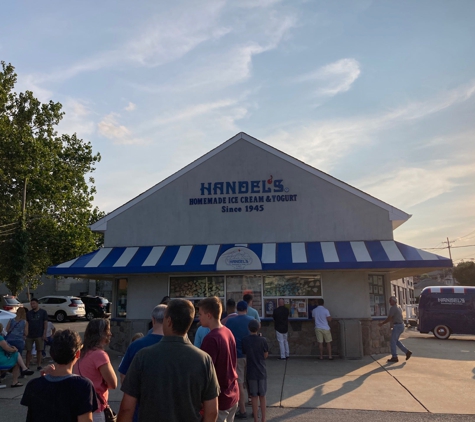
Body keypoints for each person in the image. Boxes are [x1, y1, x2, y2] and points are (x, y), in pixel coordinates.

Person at [118, 299, 220, 422]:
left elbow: (127, 409)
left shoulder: (143, 356)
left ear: (169, 321)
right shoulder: (204, 360)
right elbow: (212, 410)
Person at [21, 329, 98, 421]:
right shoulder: (83, 385)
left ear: (52, 353)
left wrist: (42, 380)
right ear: (77, 354)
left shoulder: (33, 385)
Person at [119, 304, 166, 422]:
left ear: (153, 320)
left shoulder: (136, 345)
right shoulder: (177, 347)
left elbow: (124, 379)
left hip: (139, 411)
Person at [198, 297, 239, 422]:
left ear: (209, 315)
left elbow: (205, 373)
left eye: (200, 314)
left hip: (219, 400)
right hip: (233, 393)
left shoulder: (211, 339)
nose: (199, 317)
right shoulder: (227, 332)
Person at [73, 319, 117, 422]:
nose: (110, 334)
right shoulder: (99, 355)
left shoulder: (80, 353)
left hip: (79, 407)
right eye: (108, 331)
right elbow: (113, 384)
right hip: (96, 409)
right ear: (100, 334)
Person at [225, 300, 254, 420]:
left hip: (238, 355)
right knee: (252, 380)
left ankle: (242, 410)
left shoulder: (230, 321)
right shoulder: (252, 320)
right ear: (246, 309)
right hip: (251, 355)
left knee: (240, 383)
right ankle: (254, 408)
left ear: (237, 309)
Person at [242, 320, 269, 422]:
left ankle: (256, 419)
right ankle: (263, 418)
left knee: (254, 396)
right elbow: (265, 355)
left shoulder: (245, 340)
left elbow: (245, 352)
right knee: (262, 395)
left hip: (251, 370)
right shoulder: (263, 340)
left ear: (249, 328)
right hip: (261, 370)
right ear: (259, 328)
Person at [0, 322, 34, 388]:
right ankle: (15, 381)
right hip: (1, 359)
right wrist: (14, 349)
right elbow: (7, 348)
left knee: (16, 357)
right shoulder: (0, 338)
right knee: (16, 357)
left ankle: (24, 369)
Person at [379, 296, 413, 363]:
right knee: (396, 341)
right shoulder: (399, 307)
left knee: (393, 342)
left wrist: (382, 323)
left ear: (394, 301)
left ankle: (394, 357)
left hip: (397, 326)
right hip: (401, 325)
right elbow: (396, 317)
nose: (389, 302)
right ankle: (407, 352)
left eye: (390, 301)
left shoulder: (393, 308)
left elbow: (389, 318)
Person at [26, 298, 48, 370]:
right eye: (31, 304)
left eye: (34, 303)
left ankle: (39, 365)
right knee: (28, 350)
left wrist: (44, 334)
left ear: (37, 303)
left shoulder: (43, 312)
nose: (32, 305)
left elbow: (45, 323)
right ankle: (27, 365)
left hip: (39, 334)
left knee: (39, 350)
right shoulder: (28, 313)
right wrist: (25, 333)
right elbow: (27, 324)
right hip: (30, 335)